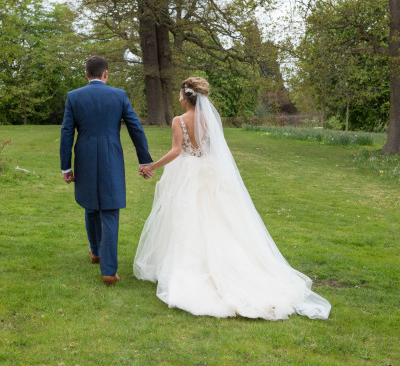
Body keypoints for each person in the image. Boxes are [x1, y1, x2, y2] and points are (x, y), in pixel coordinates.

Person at [134, 77, 331, 320]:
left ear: (186, 97)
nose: (178, 98)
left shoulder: (179, 120)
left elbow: (177, 150)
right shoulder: (210, 120)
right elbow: (214, 149)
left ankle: (187, 268)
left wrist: (152, 166)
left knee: (187, 219)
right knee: (217, 218)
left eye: (179, 94)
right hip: (209, 172)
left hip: (187, 175)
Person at [60, 55, 152, 286]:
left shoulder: (73, 97)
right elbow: (135, 128)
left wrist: (66, 166)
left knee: (91, 206)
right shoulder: (118, 95)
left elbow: (66, 133)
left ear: (86, 74)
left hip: (85, 157)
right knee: (109, 210)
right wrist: (144, 160)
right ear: (105, 74)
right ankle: (108, 270)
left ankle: (95, 251)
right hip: (111, 157)